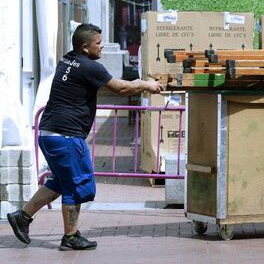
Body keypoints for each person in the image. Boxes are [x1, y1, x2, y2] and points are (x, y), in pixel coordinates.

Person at [7, 23, 164, 251]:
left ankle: (22, 217)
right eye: (98, 44)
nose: (102, 48)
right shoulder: (90, 67)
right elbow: (120, 88)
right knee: (78, 184)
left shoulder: (67, 60)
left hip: (49, 133)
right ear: (85, 47)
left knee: (60, 182)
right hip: (66, 136)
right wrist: (145, 85)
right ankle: (70, 237)